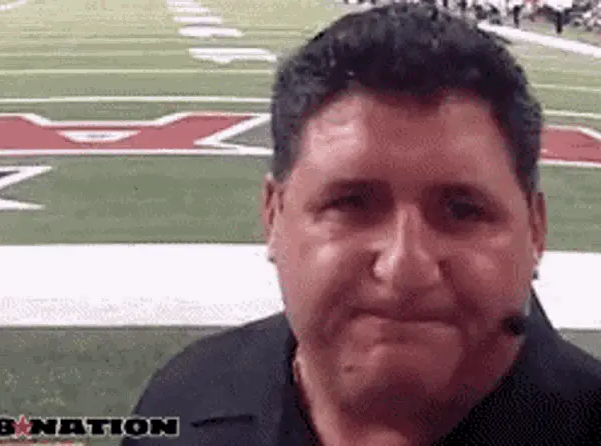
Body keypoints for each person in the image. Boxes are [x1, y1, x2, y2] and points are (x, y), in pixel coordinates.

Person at [122, 4, 601, 445]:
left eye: (463, 210)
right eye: (350, 204)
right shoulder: (183, 407)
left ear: (535, 230)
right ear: (274, 216)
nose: (405, 268)